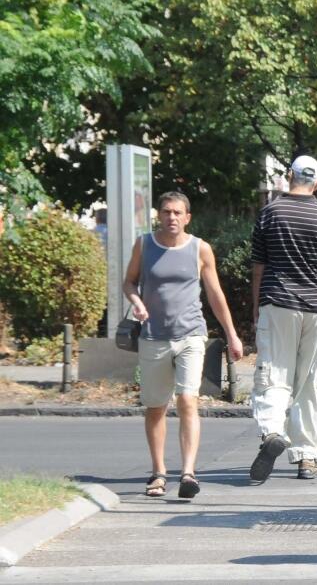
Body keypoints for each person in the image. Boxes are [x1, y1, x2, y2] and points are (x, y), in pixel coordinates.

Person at [123, 191, 244, 499]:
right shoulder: (144, 245)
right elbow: (129, 281)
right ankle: (159, 472)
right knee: (155, 407)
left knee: (188, 400)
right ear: (158, 215)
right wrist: (136, 301)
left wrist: (231, 334)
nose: (172, 217)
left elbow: (215, 294)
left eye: (178, 212)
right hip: (153, 337)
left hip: (191, 334)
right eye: (166, 212)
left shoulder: (200, 249)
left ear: (187, 217)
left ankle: (188, 472)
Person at [249, 155, 317, 483]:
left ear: (289, 176)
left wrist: (256, 306)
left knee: (274, 373)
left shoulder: (270, 213)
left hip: (277, 303)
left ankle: (271, 433)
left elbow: (258, 267)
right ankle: (308, 457)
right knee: (307, 380)